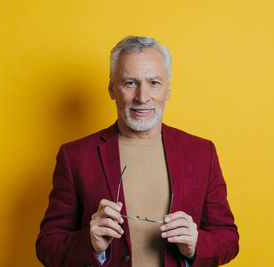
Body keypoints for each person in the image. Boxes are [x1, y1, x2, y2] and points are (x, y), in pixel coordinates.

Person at [36, 36, 239, 267]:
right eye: (130, 83)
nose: (142, 97)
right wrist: (90, 243)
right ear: (112, 88)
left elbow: (229, 239)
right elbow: (47, 246)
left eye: (154, 82)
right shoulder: (75, 156)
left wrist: (195, 245)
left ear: (168, 89)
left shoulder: (202, 152)